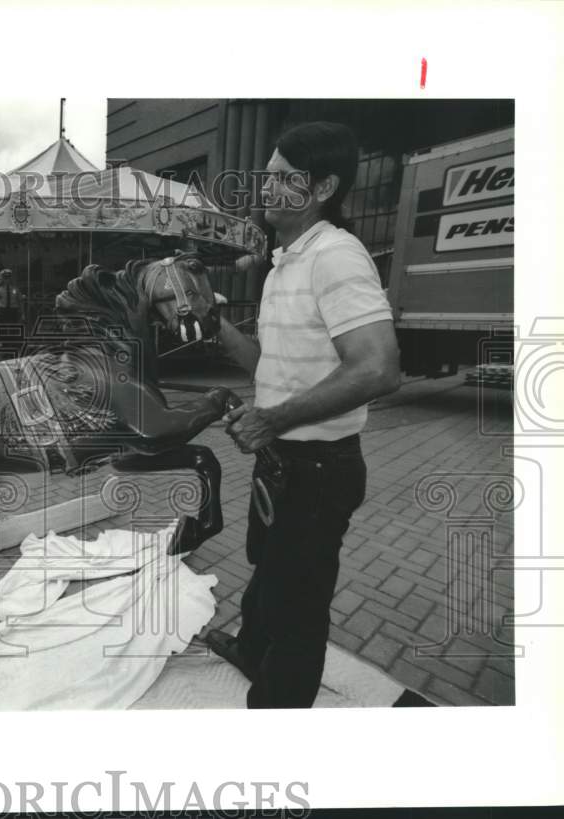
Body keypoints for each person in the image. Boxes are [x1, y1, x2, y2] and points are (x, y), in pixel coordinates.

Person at [208, 122, 401, 708]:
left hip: (319, 469)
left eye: (283, 179)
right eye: (266, 175)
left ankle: (279, 713)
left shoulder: (336, 256)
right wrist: (207, 322)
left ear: (323, 188)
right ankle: (249, 651)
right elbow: (273, 364)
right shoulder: (286, 261)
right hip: (281, 460)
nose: (265, 188)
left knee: (299, 600)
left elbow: (377, 368)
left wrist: (272, 419)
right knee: (265, 567)